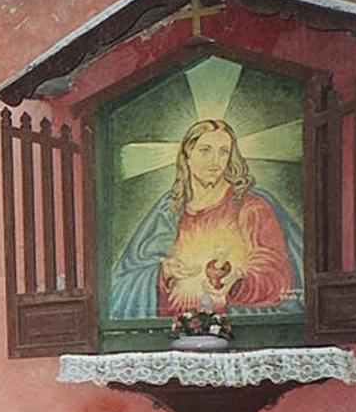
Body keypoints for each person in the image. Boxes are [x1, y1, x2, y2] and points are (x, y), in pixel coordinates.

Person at [107, 116, 303, 320]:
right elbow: (124, 280)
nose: (215, 161)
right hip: (170, 330)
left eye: (223, 152)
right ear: (187, 156)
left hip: (236, 327)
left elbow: (276, 274)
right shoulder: (168, 209)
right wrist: (163, 272)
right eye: (205, 150)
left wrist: (237, 280)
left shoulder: (250, 207)